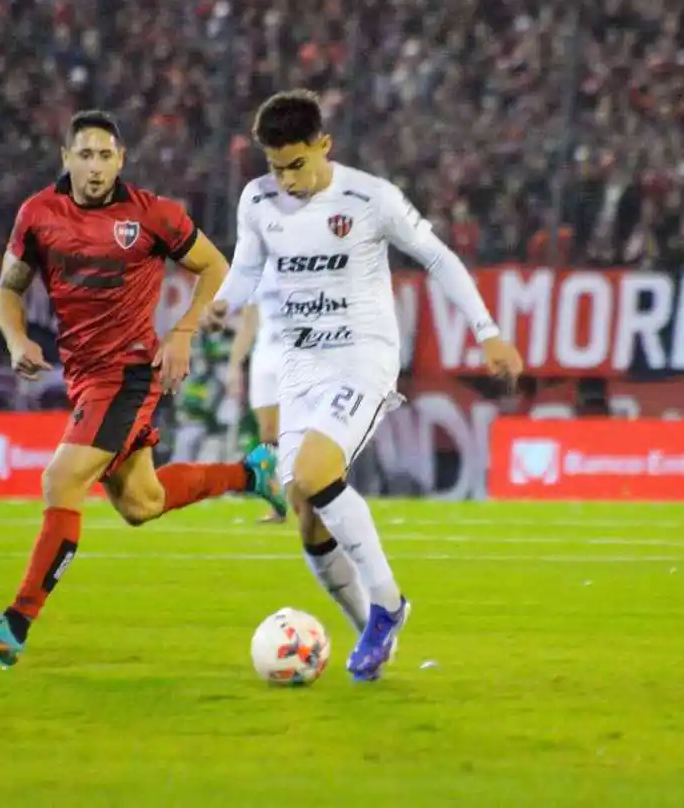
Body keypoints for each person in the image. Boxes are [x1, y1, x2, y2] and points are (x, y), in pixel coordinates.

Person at [0, 111, 286, 668]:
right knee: (140, 502)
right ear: (66, 158)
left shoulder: (151, 215)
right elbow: (8, 290)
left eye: (106, 156)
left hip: (127, 375)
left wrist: (183, 332)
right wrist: (15, 338)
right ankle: (253, 473)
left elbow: (214, 266)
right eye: (85, 155)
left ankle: (14, 624)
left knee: (60, 480)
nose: (96, 166)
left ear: (121, 160)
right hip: (84, 379)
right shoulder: (38, 214)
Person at [205, 91, 523, 681]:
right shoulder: (257, 199)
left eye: (296, 164)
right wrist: (221, 305)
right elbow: (246, 267)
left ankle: (388, 605)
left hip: (362, 359)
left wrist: (488, 332)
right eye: (275, 167)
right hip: (300, 368)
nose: (286, 180)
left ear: (324, 145)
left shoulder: (371, 198)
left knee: (316, 471)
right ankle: (370, 636)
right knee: (305, 509)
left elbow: (438, 258)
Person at [225, 291, 287, 522]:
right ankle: (277, 504)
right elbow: (248, 323)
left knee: (296, 430)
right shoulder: (258, 276)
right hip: (265, 356)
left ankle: (315, 498)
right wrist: (234, 366)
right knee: (268, 434)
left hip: (298, 355)